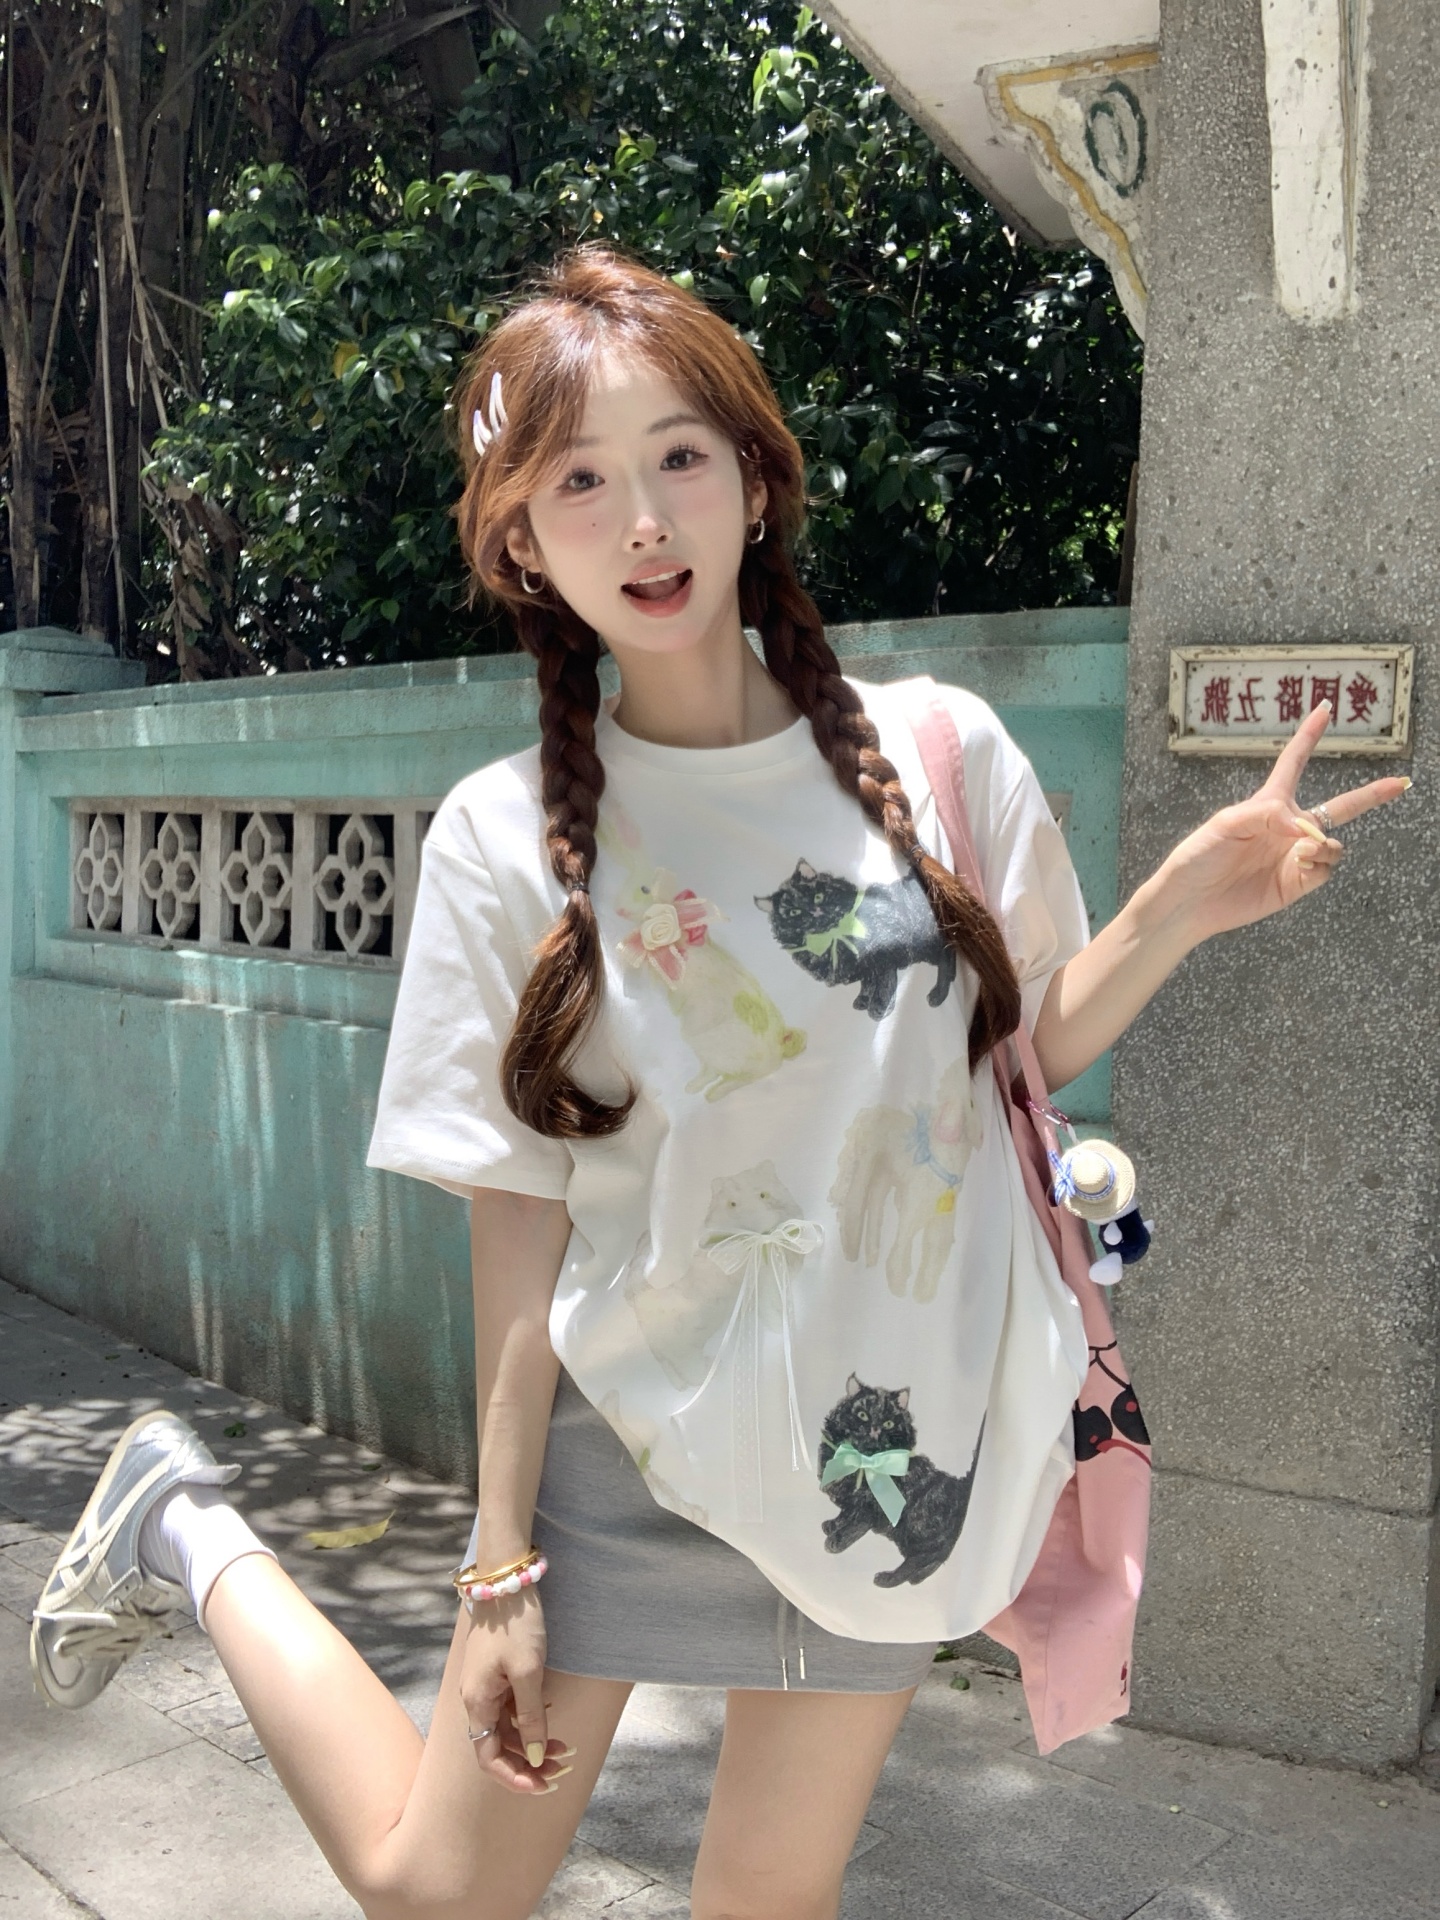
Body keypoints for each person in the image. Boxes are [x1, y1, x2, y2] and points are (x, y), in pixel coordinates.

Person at [29, 250, 1407, 1920]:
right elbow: (518, 1222)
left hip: (897, 1440)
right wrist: (497, 1556)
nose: (644, 520)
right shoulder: (502, 837)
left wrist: (1176, 907)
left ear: (756, 480)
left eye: (681, 455)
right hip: (637, 1440)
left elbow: (1018, 1059)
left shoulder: (939, 751)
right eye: (579, 482)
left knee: (768, 1901)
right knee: (436, 1893)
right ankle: (186, 1528)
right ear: (520, 544)